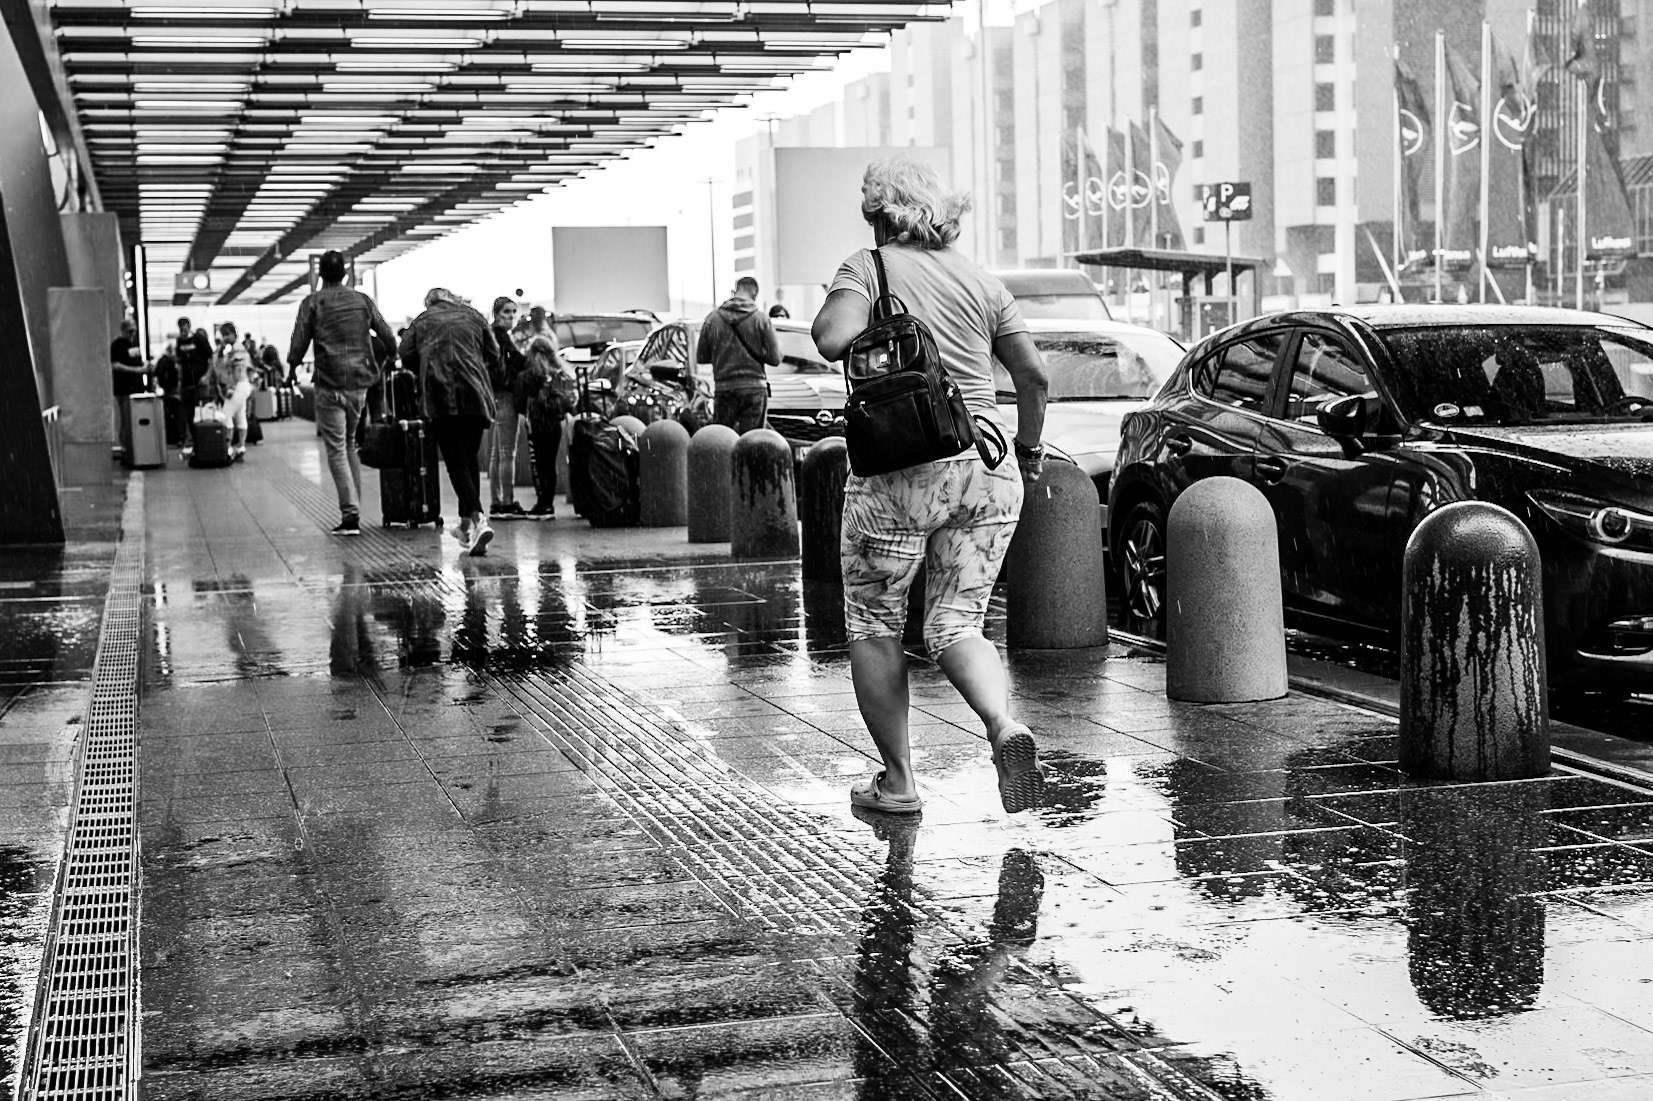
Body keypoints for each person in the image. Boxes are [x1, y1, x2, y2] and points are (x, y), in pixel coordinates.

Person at [811, 155, 1050, 817]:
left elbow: (831, 337)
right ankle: (1002, 723)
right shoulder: (982, 281)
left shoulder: (867, 265)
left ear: (880, 214)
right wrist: (1027, 452)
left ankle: (898, 780)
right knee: (956, 621)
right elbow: (1032, 378)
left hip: (901, 467)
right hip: (989, 462)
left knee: (875, 621)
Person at [287, 249, 397, 536]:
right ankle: (354, 508)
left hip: (329, 383)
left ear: (320, 274)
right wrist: (391, 358)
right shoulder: (362, 301)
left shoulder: (313, 302)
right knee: (348, 444)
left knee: (337, 448)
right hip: (359, 384)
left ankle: (350, 516)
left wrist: (290, 370)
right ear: (346, 274)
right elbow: (386, 335)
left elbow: (299, 343)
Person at [398, 288, 499, 556]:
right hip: (477, 396)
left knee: (456, 464)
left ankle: (478, 519)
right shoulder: (474, 317)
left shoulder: (422, 321)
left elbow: (405, 353)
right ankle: (466, 526)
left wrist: (426, 364)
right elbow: (494, 352)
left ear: (429, 303)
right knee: (468, 461)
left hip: (440, 398)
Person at [698, 276, 780, 434]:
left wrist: (723, 354)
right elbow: (775, 359)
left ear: (736, 290)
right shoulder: (761, 320)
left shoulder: (712, 319)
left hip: (724, 388)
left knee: (723, 439)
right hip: (754, 388)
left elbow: (702, 357)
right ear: (754, 292)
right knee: (752, 442)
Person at [517, 333, 575, 519]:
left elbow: (518, 402)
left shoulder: (529, 375)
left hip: (536, 423)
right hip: (554, 424)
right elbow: (569, 402)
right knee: (550, 464)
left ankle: (543, 503)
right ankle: (548, 502)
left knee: (539, 464)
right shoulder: (559, 373)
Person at [487, 295, 530, 521]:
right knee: (507, 453)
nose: (511, 317)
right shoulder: (502, 337)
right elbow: (519, 362)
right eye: (506, 312)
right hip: (505, 395)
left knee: (496, 452)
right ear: (497, 313)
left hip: (493, 395)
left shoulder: (491, 334)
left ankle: (496, 500)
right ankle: (506, 501)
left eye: (513, 312)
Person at [210, 321, 256, 461]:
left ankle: (227, 449)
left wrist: (231, 388)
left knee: (226, 415)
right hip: (242, 386)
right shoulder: (231, 350)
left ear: (234, 334)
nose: (225, 337)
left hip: (238, 386)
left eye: (227, 334)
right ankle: (241, 448)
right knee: (240, 416)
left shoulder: (237, 350)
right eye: (223, 335)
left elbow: (236, 371)